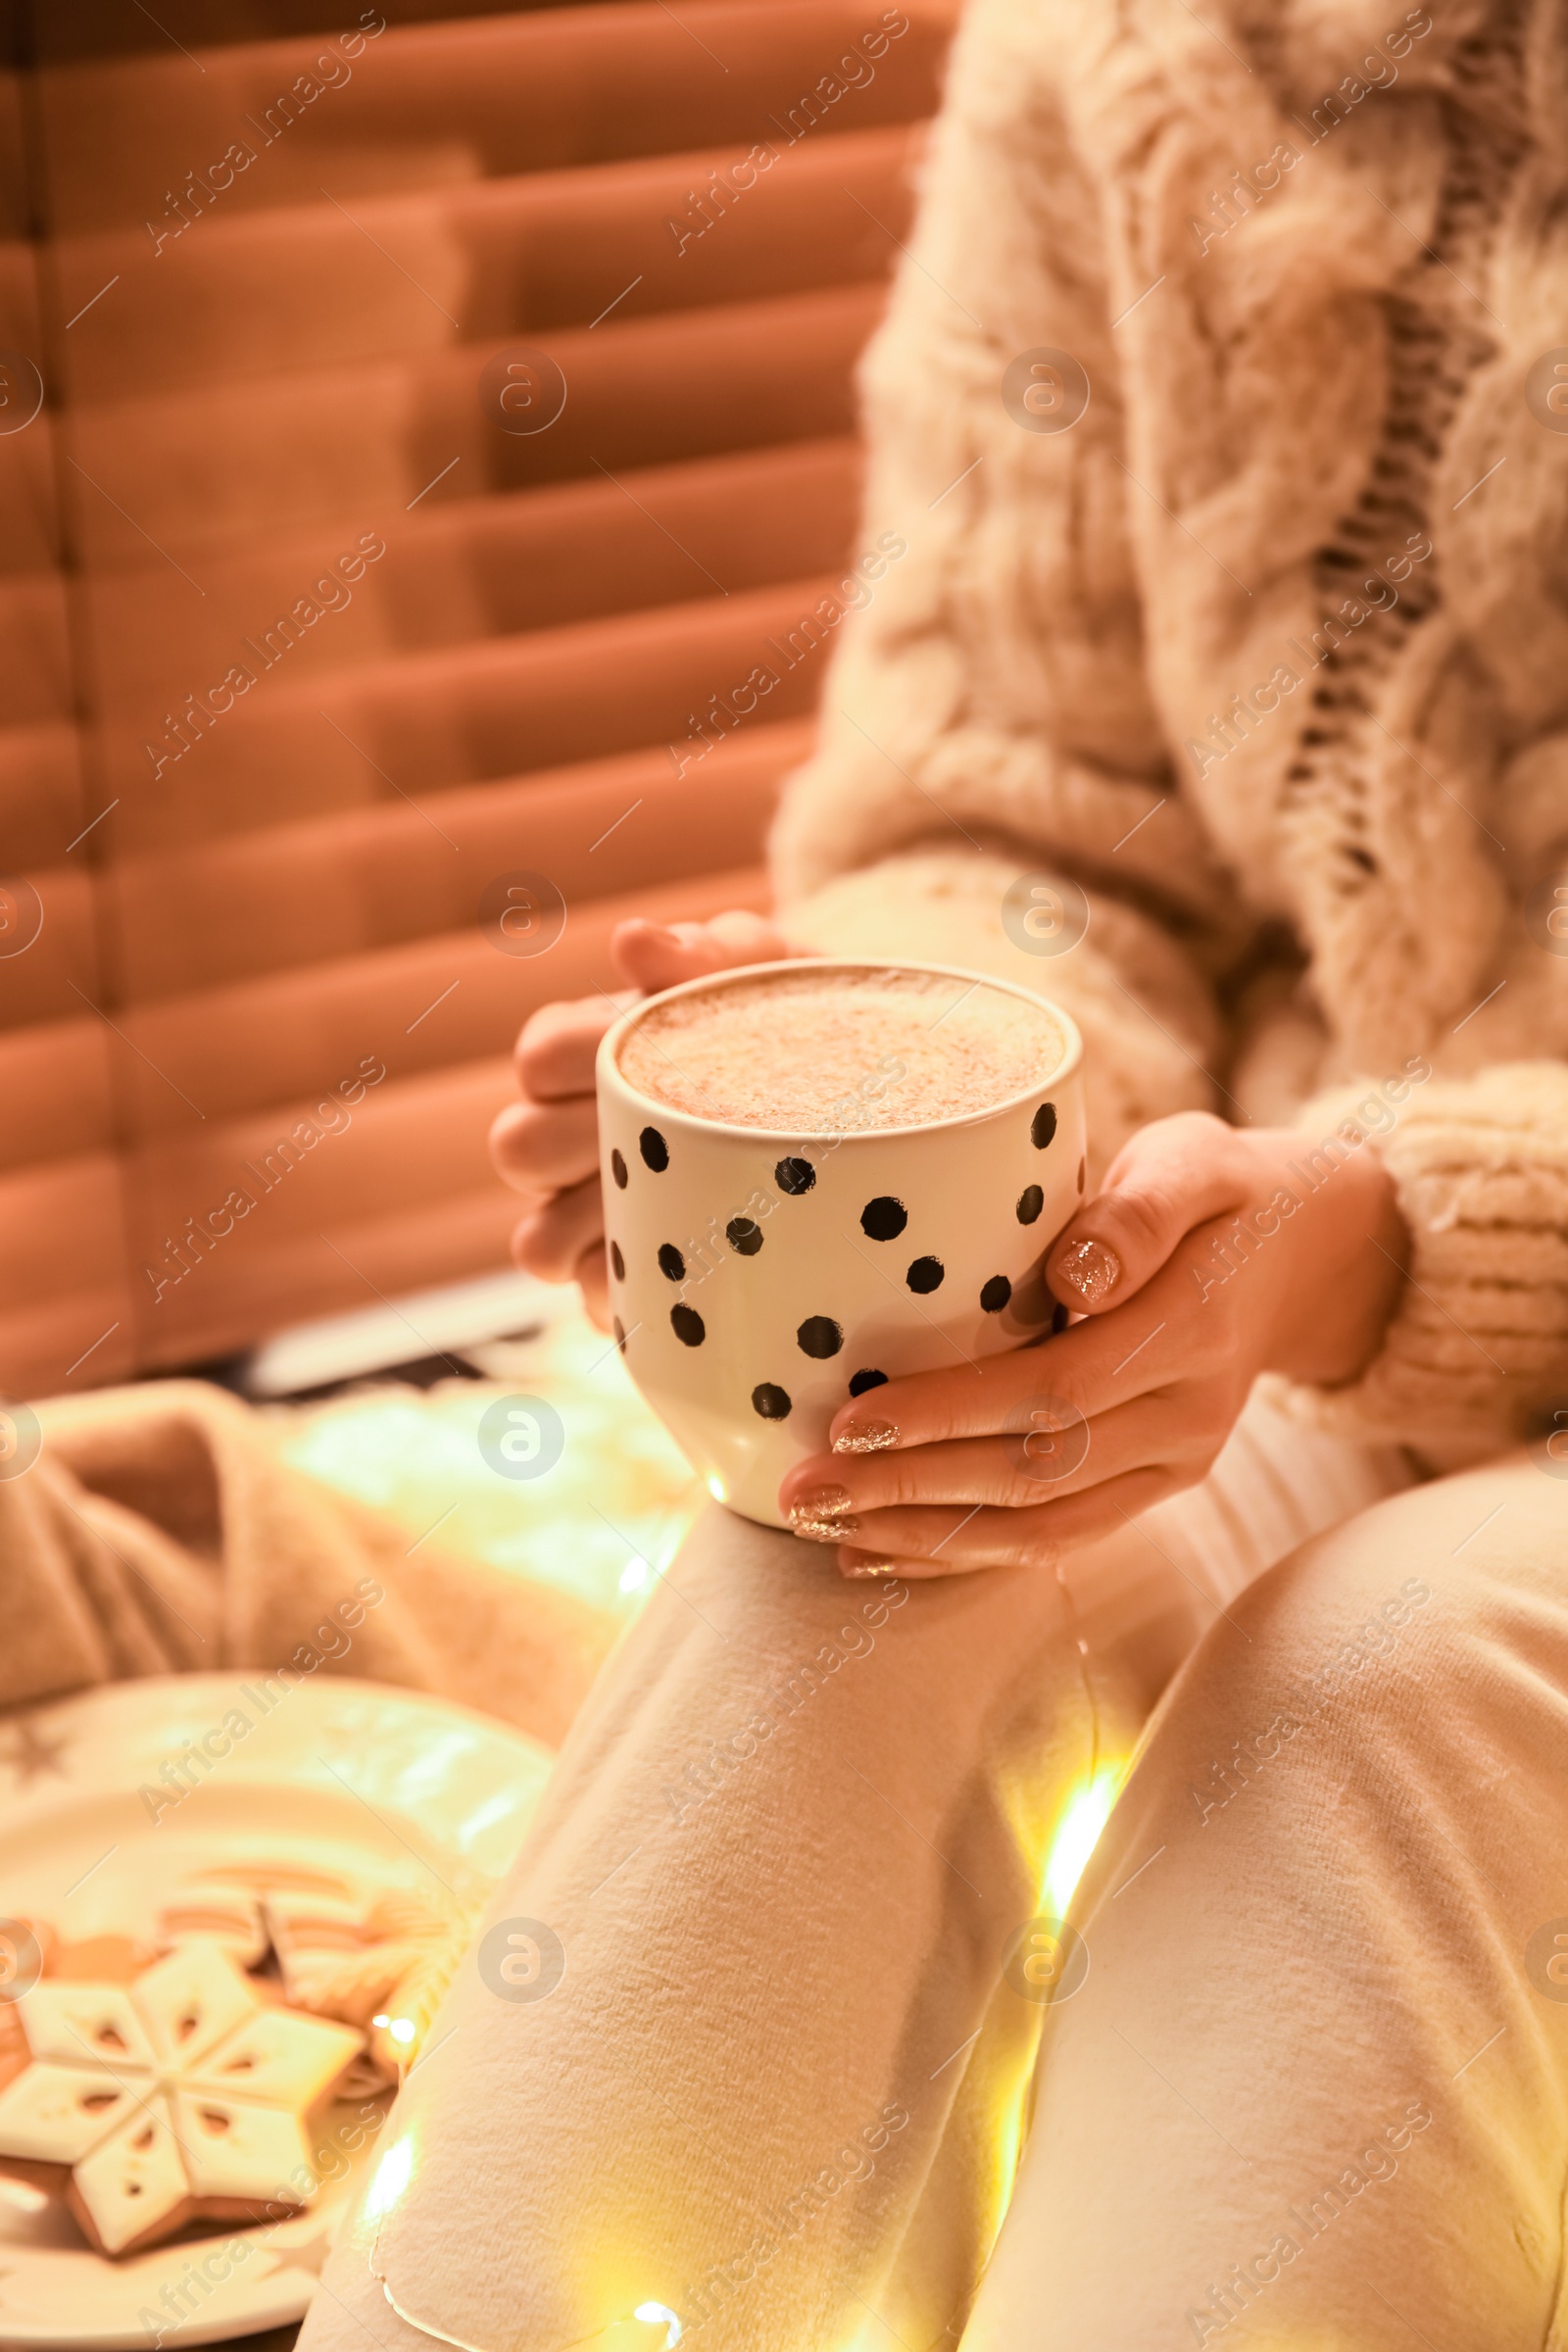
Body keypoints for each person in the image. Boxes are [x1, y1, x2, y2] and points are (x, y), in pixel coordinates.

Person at [300, 0, 1568, 2344]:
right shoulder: (1124, 44)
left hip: (1421, 1320)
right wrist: (965, 1121)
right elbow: (1005, 803)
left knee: (1378, 1708)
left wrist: (1391, 1235)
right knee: (860, 1546)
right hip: (1295, 1287)